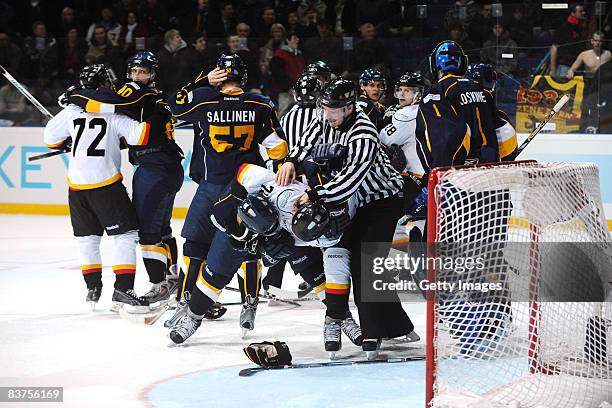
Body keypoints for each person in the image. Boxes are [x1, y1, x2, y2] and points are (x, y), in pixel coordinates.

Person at [276, 78, 415, 358]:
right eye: (325, 108)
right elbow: (305, 143)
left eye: (335, 110)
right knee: (343, 254)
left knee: (367, 260)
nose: (328, 115)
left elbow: (350, 181)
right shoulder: (326, 119)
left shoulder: (363, 133)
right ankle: (396, 326)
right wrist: (291, 159)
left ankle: (373, 333)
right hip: (356, 203)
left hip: (384, 202)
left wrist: (313, 194)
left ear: (350, 108)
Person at [165, 53, 288, 339]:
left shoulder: (204, 100)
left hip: (211, 185)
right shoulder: (260, 103)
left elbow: (174, 105)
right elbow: (278, 148)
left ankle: (186, 303)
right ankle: (250, 304)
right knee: (247, 245)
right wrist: (277, 175)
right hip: (245, 186)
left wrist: (201, 80)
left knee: (194, 245)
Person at [66, 51, 185, 308]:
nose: (136, 76)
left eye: (143, 71)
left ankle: (160, 286)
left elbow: (104, 102)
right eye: (133, 71)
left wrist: (75, 96)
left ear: (152, 73)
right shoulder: (153, 97)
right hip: (166, 166)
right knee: (162, 229)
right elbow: (129, 132)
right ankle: (175, 278)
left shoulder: (135, 92)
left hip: (154, 168)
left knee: (146, 232)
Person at [44, 64, 160, 311]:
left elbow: (50, 140)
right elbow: (141, 136)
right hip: (105, 185)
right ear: (104, 84)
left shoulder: (72, 110)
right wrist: (157, 114)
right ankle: (123, 289)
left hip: (76, 186)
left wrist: (71, 139)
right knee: (126, 236)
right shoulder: (115, 112)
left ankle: (92, 288)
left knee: (87, 240)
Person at [263, 73, 322, 293]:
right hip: (310, 183)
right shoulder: (320, 115)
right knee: (310, 230)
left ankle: (272, 281)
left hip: (285, 180)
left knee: (282, 227)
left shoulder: (288, 115)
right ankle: (316, 278)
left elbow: (279, 149)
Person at [465, 63, 518, 162]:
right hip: (502, 146)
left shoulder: (481, 96)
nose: (490, 86)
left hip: (495, 149)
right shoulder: (486, 96)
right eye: (487, 81)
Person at [549, 3, 587, 77]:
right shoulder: (563, 28)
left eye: (583, 11)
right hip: (565, 66)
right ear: (573, 13)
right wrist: (553, 69)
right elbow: (554, 48)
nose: (584, 13)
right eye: (580, 11)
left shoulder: (580, 28)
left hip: (579, 67)